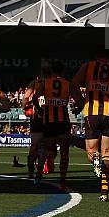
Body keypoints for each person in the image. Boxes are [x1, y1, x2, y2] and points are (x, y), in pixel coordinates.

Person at [72, 46, 109, 202]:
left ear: (96, 56)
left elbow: (74, 84)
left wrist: (81, 101)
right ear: (108, 57)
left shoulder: (88, 66)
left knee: (91, 152)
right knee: (108, 153)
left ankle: (95, 158)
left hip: (91, 112)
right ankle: (105, 192)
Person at [34, 61, 72, 191]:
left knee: (46, 150)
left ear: (52, 71)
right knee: (64, 153)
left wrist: (40, 110)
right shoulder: (68, 84)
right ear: (63, 71)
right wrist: (77, 109)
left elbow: (35, 98)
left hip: (49, 121)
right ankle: (62, 182)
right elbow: (79, 100)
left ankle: (38, 176)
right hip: (63, 122)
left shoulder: (45, 83)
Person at [22, 73, 45, 180]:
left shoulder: (34, 83)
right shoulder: (51, 82)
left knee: (34, 147)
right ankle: (39, 172)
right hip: (50, 118)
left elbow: (26, 97)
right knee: (43, 149)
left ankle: (30, 172)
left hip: (37, 118)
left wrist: (24, 108)